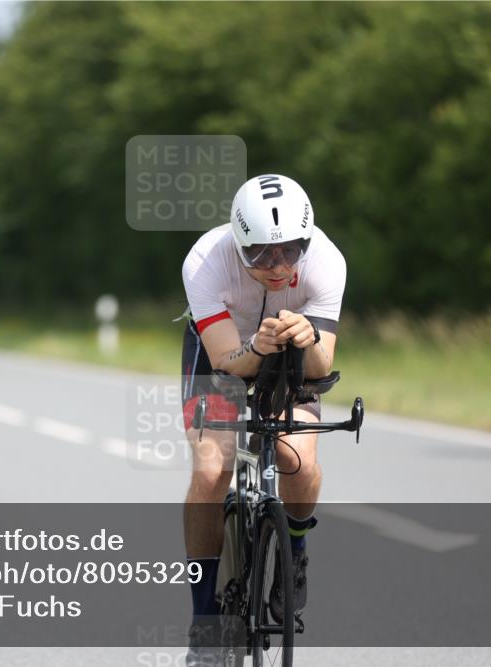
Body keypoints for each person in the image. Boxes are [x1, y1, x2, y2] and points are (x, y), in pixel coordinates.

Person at [180, 174, 345, 663]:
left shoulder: (327, 261)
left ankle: (294, 551)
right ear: (238, 244)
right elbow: (226, 361)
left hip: (293, 353)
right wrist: (256, 345)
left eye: (291, 250)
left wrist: (308, 339)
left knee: (300, 461)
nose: (277, 266)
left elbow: (322, 366)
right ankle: (204, 620)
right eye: (260, 255)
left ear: (306, 241)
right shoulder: (205, 261)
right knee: (212, 470)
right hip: (224, 353)